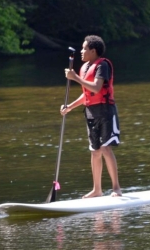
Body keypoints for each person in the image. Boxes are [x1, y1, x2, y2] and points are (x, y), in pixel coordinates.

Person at [60, 35, 122, 198]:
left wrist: (75, 78)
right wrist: (69, 107)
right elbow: (86, 94)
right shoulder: (85, 68)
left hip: (105, 111)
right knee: (95, 151)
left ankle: (116, 188)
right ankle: (97, 190)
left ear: (93, 51)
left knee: (105, 148)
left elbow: (96, 88)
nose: (81, 51)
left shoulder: (102, 66)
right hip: (91, 112)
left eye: (84, 48)